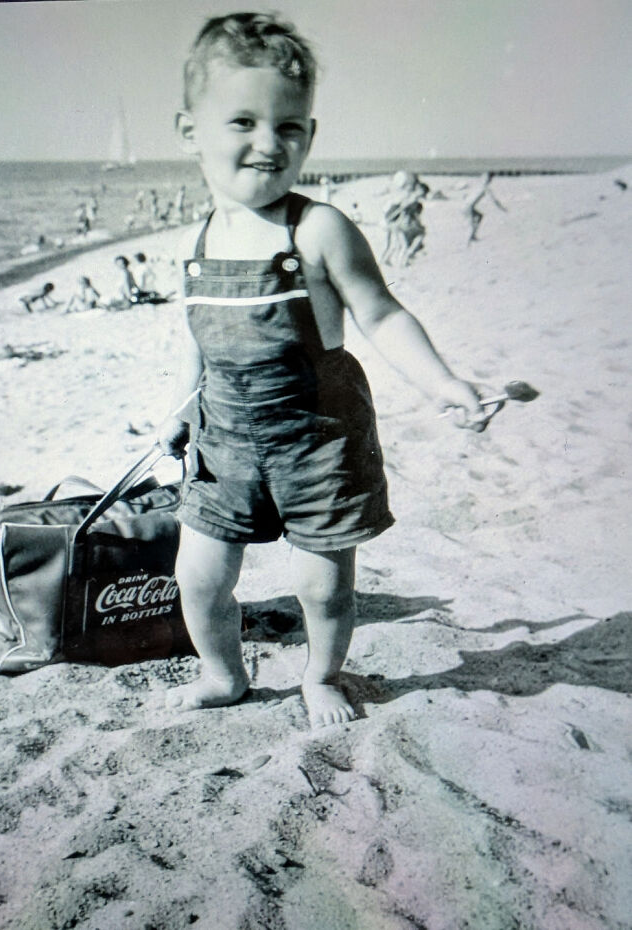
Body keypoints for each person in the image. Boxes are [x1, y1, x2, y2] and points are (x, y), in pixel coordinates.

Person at [157, 12, 487, 728]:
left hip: (316, 441)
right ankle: (223, 674)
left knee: (322, 586)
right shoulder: (195, 239)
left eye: (290, 126)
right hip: (225, 446)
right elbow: (198, 335)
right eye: (242, 122)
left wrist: (445, 385)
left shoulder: (318, 228)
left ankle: (319, 675)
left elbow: (384, 314)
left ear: (310, 133)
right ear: (191, 132)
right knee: (199, 577)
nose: (268, 143)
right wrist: (181, 407)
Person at [466, 171, 507, 244]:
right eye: (490, 179)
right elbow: (494, 200)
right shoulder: (485, 188)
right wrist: (502, 208)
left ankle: (472, 236)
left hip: (467, 205)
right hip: (468, 207)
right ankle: (470, 239)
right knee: (472, 222)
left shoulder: (478, 185)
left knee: (479, 216)